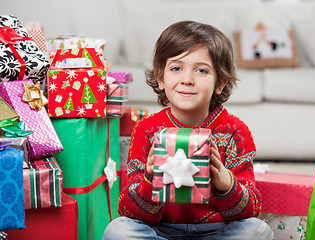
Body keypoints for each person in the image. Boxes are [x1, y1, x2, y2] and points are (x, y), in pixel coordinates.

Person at [103, 21, 274, 240]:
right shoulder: (147, 130)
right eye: (176, 68)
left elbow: (251, 209)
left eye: (201, 70)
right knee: (118, 230)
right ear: (160, 78)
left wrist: (226, 182)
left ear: (220, 83)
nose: (187, 79)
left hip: (217, 231)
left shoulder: (234, 131)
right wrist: (149, 178)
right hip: (160, 230)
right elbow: (128, 210)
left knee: (256, 231)